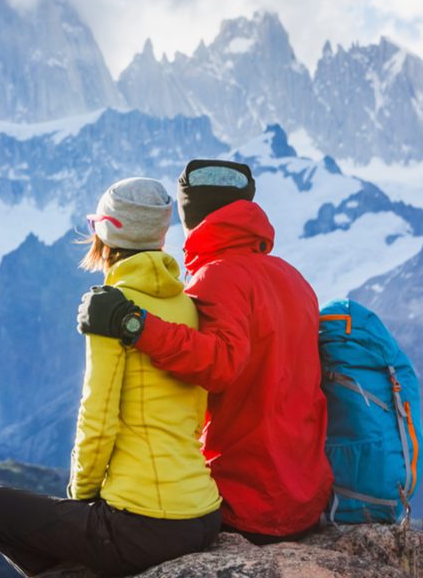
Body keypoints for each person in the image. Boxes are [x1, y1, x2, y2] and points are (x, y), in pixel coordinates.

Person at [0, 177, 223, 577]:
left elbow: (98, 417)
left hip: (146, 522)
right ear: (161, 234)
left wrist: (81, 497)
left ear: (106, 232)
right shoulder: (188, 305)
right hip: (204, 513)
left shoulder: (112, 311)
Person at [77, 160, 332, 544]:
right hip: (305, 499)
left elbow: (221, 366)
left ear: (190, 216)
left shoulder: (218, 276)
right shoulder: (293, 278)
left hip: (248, 499)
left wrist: (134, 324)